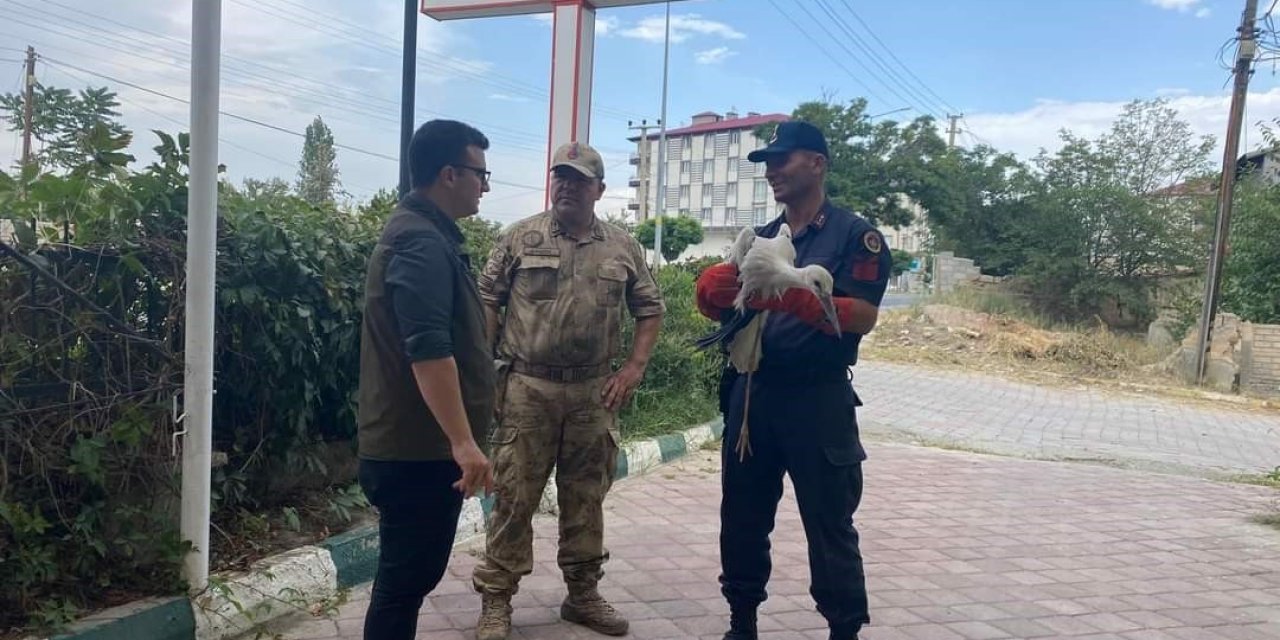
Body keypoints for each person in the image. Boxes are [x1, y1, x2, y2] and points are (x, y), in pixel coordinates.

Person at [694, 120, 892, 640]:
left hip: (817, 399)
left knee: (829, 524)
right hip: (753, 395)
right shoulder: (760, 237)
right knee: (741, 516)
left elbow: (862, 316)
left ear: (818, 164)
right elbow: (730, 314)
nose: (772, 171)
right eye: (766, 164)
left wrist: (791, 295)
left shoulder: (855, 236)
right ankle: (742, 622)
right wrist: (712, 296)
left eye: (783, 160)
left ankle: (844, 628)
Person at [471, 141, 666, 640]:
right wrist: (488, 371)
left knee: (586, 496)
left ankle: (582, 595)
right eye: (561, 177)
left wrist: (634, 369)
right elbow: (486, 304)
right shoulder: (519, 238)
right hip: (527, 389)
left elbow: (650, 309)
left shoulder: (622, 247)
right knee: (515, 494)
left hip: (592, 394)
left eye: (579, 180)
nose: (567, 186)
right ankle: (496, 599)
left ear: (599, 190)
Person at [355, 119, 498, 640]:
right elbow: (429, 351)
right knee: (403, 582)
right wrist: (463, 443)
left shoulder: (427, 235)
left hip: (416, 448)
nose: (485, 185)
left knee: (409, 580)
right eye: (481, 173)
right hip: (415, 452)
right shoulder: (419, 242)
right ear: (448, 174)